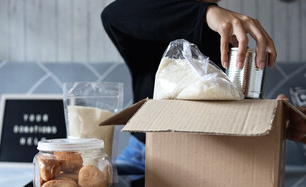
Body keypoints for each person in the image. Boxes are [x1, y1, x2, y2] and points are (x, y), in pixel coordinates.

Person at [101, 0, 304, 174]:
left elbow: (232, 116)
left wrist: (272, 126)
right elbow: (113, 14)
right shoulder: (149, 20)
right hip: (147, 158)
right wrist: (206, 13)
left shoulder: (231, 42)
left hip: (216, 157)